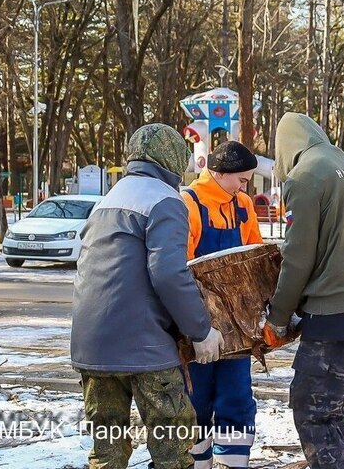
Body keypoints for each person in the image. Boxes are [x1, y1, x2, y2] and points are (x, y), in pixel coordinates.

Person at [71, 123, 224, 469]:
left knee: (107, 450)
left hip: (91, 347)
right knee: (173, 448)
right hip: (144, 348)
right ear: (172, 159)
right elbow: (169, 273)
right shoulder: (165, 200)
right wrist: (200, 331)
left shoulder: (106, 201)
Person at [263, 113, 344, 469]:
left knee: (313, 408)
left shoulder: (305, 176)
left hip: (337, 308)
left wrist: (276, 317)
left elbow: (298, 257)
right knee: (332, 403)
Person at [181, 140, 263, 469]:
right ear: (216, 173)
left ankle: (233, 463)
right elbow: (179, 268)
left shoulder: (242, 204)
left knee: (237, 397)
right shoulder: (189, 202)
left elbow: (254, 255)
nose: (246, 187)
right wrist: (196, 323)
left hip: (237, 325)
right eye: (241, 180)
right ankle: (195, 463)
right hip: (198, 323)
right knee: (195, 398)